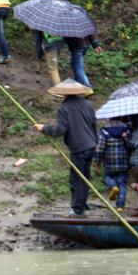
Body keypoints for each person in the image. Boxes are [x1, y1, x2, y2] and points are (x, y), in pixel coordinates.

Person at [33, 79, 97, 216]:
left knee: (76, 179)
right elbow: (93, 126)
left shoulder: (64, 108)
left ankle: (77, 209)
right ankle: (82, 204)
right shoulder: (88, 104)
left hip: (79, 147)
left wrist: (43, 128)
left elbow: (60, 130)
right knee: (85, 176)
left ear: (63, 94)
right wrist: (95, 143)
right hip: (91, 145)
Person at [95, 117, 131, 211]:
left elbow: (100, 148)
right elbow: (130, 145)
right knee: (122, 183)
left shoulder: (104, 131)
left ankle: (113, 186)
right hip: (123, 162)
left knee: (107, 177)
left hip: (109, 162)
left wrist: (97, 162)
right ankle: (120, 206)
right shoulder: (126, 129)